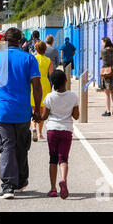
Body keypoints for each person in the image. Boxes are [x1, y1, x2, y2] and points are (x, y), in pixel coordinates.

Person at [0, 28, 42, 199]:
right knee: (22, 146)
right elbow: (36, 86)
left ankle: (8, 185)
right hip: (22, 111)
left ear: (4, 41)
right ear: (20, 41)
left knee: (8, 146)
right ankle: (22, 180)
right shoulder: (29, 58)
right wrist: (37, 109)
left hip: (2, 111)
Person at [41, 70, 79, 199]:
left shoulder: (49, 97)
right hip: (66, 130)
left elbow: (44, 116)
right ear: (65, 81)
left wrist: (37, 117)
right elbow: (76, 116)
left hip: (52, 129)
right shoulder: (73, 96)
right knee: (63, 159)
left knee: (53, 159)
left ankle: (53, 189)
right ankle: (63, 179)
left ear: (53, 83)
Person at [31, 41, 53, 141]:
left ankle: (33, 127)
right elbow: (51, 74)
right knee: (42, 109)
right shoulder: (48, 60)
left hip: (34, 83)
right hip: (45, 83)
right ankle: (40, 133)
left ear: (36, 49)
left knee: (33, 108)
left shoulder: (33, 58)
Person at [100, 37, 113, 116]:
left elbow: (102, 59)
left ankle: (108, 111)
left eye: (102, 42)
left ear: (105, 42)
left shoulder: (103, 51)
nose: (102, 44)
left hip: (106, 72)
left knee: (107, 93)